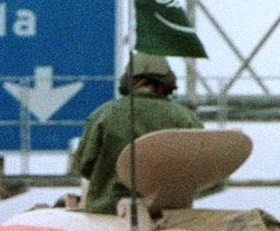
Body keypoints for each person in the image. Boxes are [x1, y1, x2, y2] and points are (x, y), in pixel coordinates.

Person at [72, 53, 203, 214]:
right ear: (167, 83)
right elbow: (200, 169)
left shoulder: (103, 115)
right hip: (170, 219)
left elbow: (84, 165)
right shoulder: (186, 118)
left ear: (128, 81)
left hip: (109, 215)